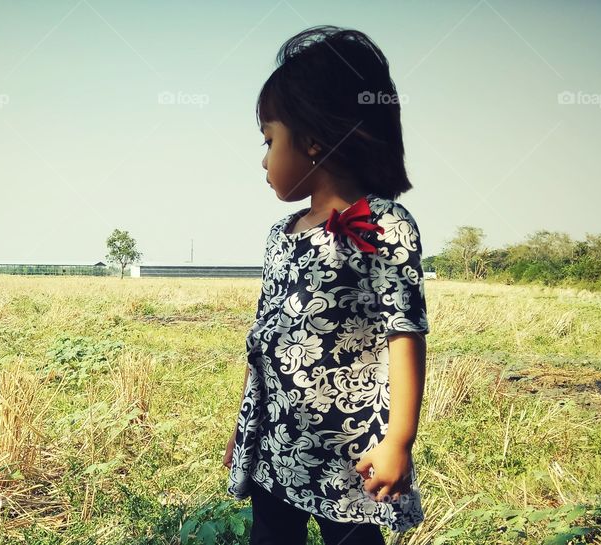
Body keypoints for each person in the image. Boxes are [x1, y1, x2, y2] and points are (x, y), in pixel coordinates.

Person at [223, 25, 430, 545]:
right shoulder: (281, 235)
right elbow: (265, 342)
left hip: (351, 455)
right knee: (269, 536)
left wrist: (398, 441)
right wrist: (242, 430)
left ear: (313, 139)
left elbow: (404, 333)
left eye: (270, 140)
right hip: (278, 446)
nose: (264, 159)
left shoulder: (383, 224)